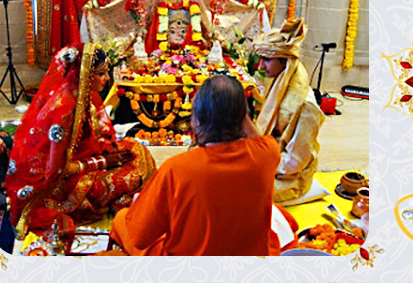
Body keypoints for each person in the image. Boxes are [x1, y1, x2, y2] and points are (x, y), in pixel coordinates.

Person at [110, 75, 297, 256]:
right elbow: (260, 137)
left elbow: (140, 238)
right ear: (244, 118)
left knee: (122, 219)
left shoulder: (176, 168)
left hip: (189, 271)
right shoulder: (266, 154)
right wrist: (238, 110)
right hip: (246, 263)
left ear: (196, 118)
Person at [5, 43, 156, 241]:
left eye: (106, 72)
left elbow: (89, 139)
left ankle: (120, 200)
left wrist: (106, 152)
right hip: (57, 185)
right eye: (101, 73)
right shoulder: (65, 110)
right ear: (84, 74)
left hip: (78, 161)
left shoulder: (80, 95)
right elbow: (57, 171)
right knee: (131, 175)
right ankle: (114, 202)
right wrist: (104, 162)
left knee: (136, 148)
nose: (107, 78)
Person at [253, 18, 325, 203]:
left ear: (285, 61)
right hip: (268, 157)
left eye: (267, 60)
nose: (260, 66)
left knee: (241, 190)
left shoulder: (306, 107)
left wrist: (257, 163)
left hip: (289, 176)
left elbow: (295, 162)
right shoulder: (277, 83)